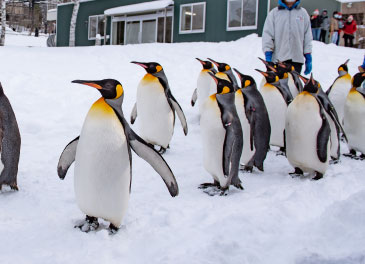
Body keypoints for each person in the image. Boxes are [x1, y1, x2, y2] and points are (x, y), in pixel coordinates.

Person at [262, 0, 312, 74]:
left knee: (293, 85)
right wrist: (268, 55)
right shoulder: (274, 14)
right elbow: (268, 35)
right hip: (279, 60)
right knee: (280, 84)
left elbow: (307, 36)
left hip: (296, 60)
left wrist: (308, 55)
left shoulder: (303, 13)